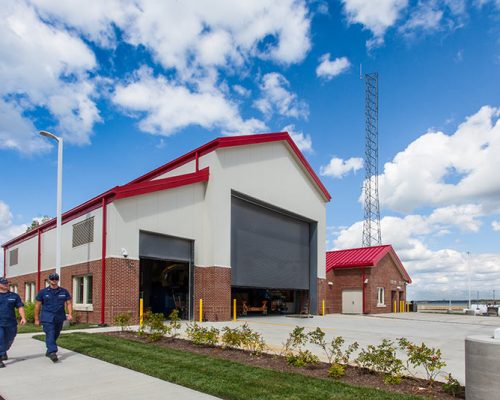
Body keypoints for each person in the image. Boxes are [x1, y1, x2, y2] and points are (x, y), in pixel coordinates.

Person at [35, 273, 72, 362]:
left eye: (56, 279)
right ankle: (52, 352)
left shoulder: (64, 291)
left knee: (56, 333)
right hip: (47, 317)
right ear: (49, 280)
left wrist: (70, 313)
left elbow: (69, 303)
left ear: (58, 280)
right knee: (50, 333)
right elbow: (37, 306)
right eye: (52, 279)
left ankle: (49, 350)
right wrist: (36, 319)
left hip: (59, 316)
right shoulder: (43, 292)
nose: (54, 281)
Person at [0, 277, 26, 368]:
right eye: (4, 283)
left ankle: (3, 351)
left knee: (9, 339)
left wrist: (23, 317)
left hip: (11, 323)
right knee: (1, 339)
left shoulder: (14, 296)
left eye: (7, 283)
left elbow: (20, 307)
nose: (6, 285)